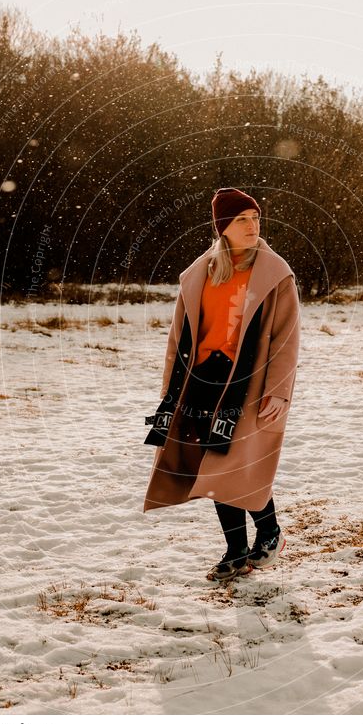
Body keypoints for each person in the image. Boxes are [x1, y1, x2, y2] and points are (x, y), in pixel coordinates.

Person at [143, 187, 301, 582]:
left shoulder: (274, 273)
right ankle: (235, 550)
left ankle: (269, 532)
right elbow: (179, 336)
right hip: (203, 380)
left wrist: (280, 389)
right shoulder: (201, 273)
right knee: (212, 467)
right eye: (241, 220)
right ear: (222, 228)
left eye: (255, 218)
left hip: (247, 383)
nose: (252, 226)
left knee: (235, 464)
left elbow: (287, 336)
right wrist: (170, 392)